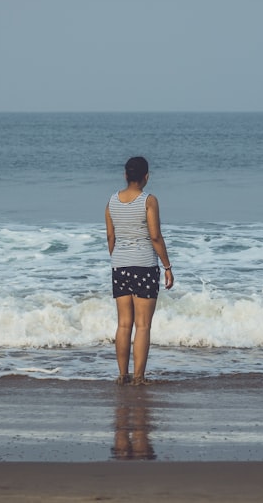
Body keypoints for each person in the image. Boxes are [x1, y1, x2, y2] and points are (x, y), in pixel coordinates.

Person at [105, 156, 173, 386]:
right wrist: (167, 266)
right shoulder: (148, 200)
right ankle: (138, 378)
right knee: (142, 325)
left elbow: (110, 237)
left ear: (125, 175)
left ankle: (122, 374)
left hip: (120, 266)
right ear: (146, 177)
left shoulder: (112, 201)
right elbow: (155, 236)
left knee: (124, 324)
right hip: (144, 265)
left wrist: (118, 258)